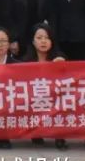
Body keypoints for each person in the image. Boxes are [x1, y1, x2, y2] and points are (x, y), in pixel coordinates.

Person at [23, 22, 67, 150]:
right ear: (33, 41)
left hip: (54, 100)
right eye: (39, 38)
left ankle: (59, 135)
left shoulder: (59, 58)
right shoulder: (25, 62)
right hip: (35, 100)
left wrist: (62, 66)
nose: (43, 41)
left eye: (47, 38)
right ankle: (36, 131)